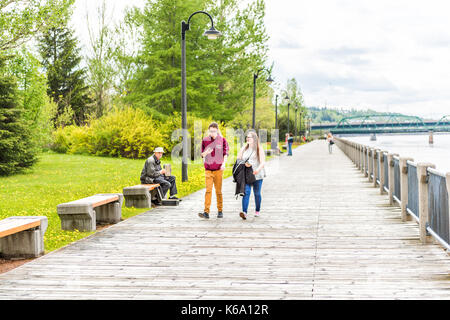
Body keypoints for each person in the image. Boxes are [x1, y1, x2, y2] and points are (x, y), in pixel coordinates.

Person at [198, 122, 229, 219]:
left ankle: (220, 210)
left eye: (214, 131)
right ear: (209, 131)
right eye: (211, 131)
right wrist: (206, 152)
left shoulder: (222, 140)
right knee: (208, 190)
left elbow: (225, 153)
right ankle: (206, 212)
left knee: (218, 191)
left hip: (218, 169)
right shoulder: (205, 140)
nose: (212, 133)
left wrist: (224, 163)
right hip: (208, 169)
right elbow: (202, 154)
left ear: (217, 130)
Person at [237, 131, 266, 219]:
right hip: (247, 174)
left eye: (250, 137)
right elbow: (238, 159)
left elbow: (263, 162)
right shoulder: (245, 148)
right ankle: (244, 212)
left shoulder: (259, 148)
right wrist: (242, 149)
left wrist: (257, 170)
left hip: (257, 174)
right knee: (246, 192)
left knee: (257, 193)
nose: (248, 138)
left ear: (254, 139)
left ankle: (257, 210)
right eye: (247, 137)